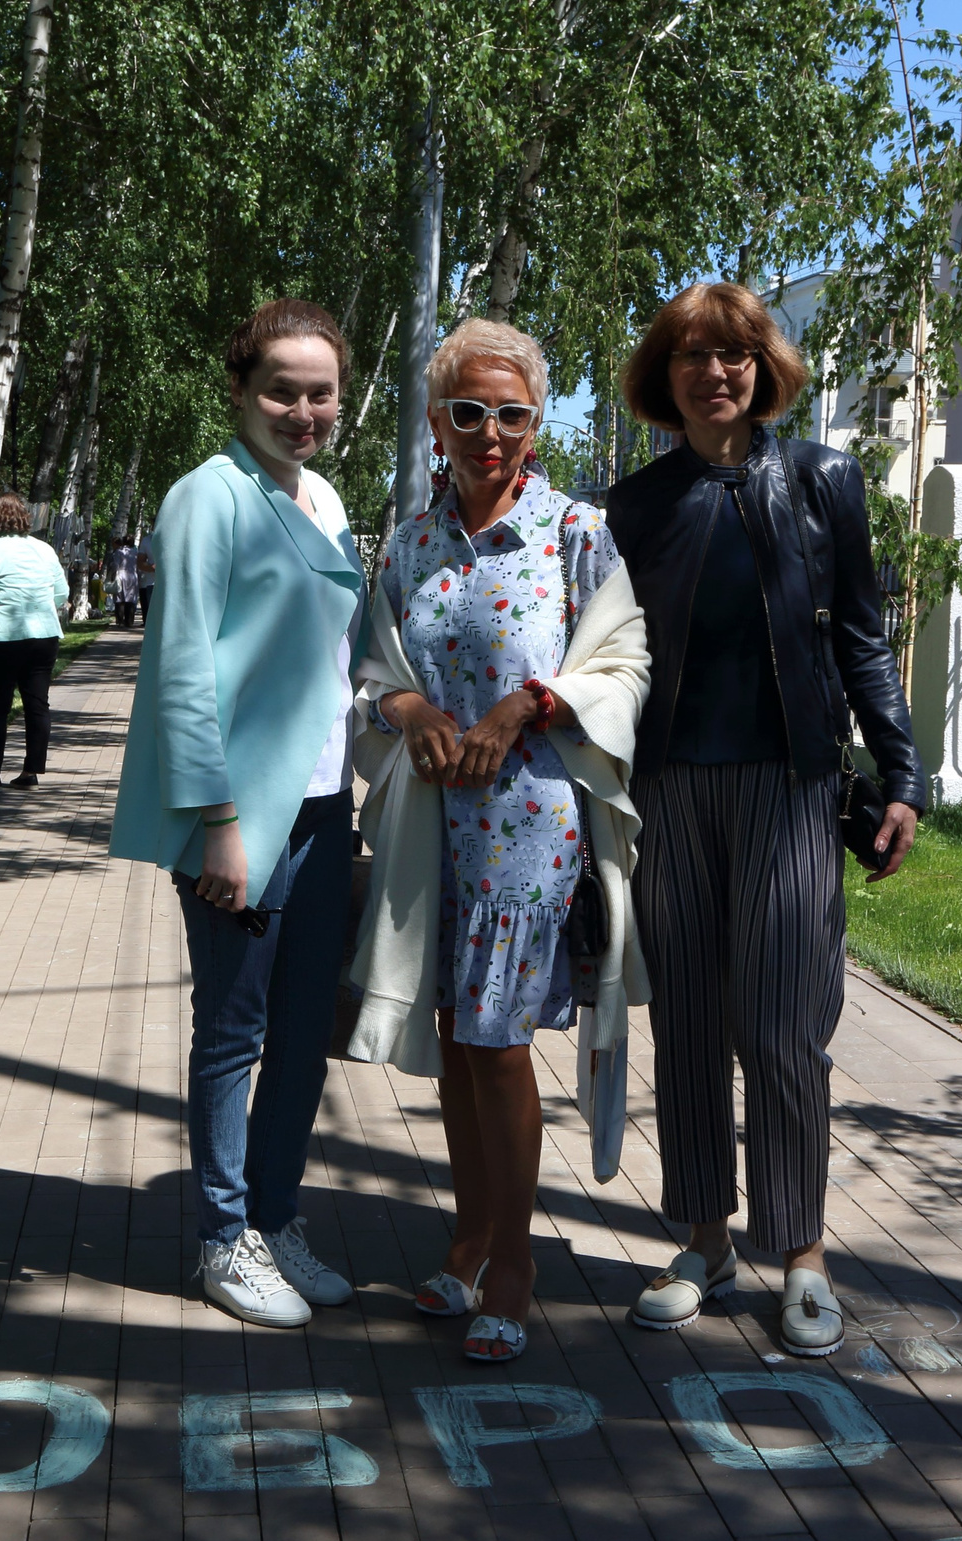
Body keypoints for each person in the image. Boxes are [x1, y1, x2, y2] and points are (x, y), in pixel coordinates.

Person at [604, 282, 921, 1355]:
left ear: (765, 367)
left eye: (736, 353)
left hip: (789, 789)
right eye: (693, 355)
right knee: (688, 1023)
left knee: (785, 1029)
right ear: (666, 375)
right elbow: (609, 661)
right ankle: (703, 1239)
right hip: (669, 792)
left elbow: (863, 638)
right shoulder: (634, 506)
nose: (717, 372)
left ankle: (801, 1255)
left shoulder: (824, 480)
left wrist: (903, 774)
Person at [347, 319, 651, 1363]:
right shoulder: (408, 540)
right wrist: (408, 714)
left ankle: (515, 1264)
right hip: (428, 824)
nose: (488, 433)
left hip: (526, 826)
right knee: (455, 1045)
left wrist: (524, 707)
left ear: (535, 424)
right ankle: (469, 1237)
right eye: (467, 412)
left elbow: (621, 666)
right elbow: (369, 668)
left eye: (510, 414)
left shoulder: (575, 533)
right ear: (436, 422)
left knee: (498, 1041)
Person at [108, 300, 366, 1328]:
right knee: (232, 1031)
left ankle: (276, 1218)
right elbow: (180, 678)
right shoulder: (205, 498)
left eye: (320, 393)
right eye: (281, 391)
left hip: (320, 803)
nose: (301, 411)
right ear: (240, 391)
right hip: (240, 813)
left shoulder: (325, 496)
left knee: (306, 1033)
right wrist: (217, 822)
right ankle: (223, 1238)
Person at [0, 492, 72, 789]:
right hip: (43, 636)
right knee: (37, 704)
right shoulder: (45, 550)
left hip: (2, 637)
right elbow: (62, 594)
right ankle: (30, 772)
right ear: (26, 517)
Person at [106, 535, 142, 628]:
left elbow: (115, 565)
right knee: (131, 599)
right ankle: (129, 621)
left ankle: (120, 620)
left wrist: (112, 574)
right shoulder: (136, 552)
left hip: (121, 576)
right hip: (132, 576)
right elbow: (139, 565)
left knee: (119, 599)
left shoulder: (119, 552)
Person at [134, 530, 159, 626]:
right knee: (152, 619)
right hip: (152, 583)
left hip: (171, 583)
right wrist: (151, 568)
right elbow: (140, 562)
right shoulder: (147, 540)